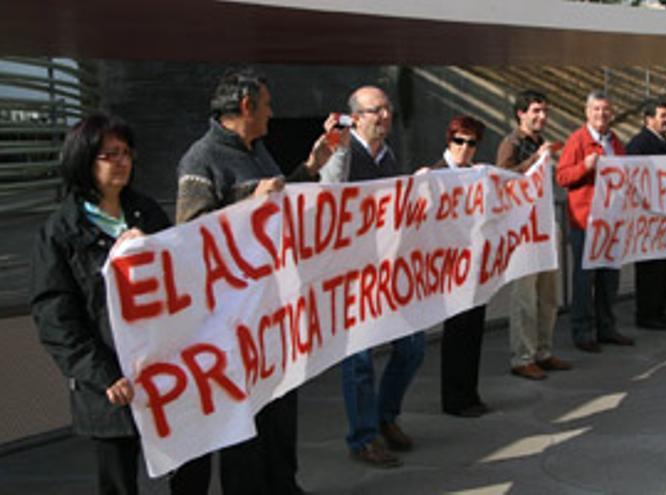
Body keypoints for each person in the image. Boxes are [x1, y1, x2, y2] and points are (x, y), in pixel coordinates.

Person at [175, 68, 334, 495]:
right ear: (245, 106)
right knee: (244, 428)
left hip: (273, 315)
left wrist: (310, 168)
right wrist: (249, 204)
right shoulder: (200, 161)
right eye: (266, 104)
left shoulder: (258, 151)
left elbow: (277, 203)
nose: (271, 113)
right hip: (234, 324)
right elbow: (192, 237)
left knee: (280, 416)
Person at [31, 114, 171, 494]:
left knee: (188, 465)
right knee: (119, 482)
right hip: (109, 384)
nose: (122, 161)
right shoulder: (61, 231)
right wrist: (103, 374)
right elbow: (56, 318)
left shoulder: (147, 212)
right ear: (84, 160)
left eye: (126, 153)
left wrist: (153, 250)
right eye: (110, 154)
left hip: (163, 374)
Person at [320, 85, 425, 468]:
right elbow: (328, 194)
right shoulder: (344, 153)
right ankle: (363, 437)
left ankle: (385, 415)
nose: (384, 116)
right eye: (375, 110)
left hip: (388, 272)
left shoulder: (389, 156)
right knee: (359, 360)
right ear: (356, 117)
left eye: (387, 109)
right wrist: (337, 146)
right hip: (352, 275)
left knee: (412, 347)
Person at [496, 89, 571, 379]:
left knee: (548, 295)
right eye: (536, 111)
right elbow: (504, 179)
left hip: (543, 225)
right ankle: (522, 356)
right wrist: (535, 161)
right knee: (525, 298)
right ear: (521, 113)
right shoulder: (510, 143)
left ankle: (544, 350)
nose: (542, 116)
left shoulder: (540, 142)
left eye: (544, 111)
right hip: (522, 232)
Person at [423, 115, 493, 417]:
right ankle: (454, 398)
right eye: (459, 141)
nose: (465, 148)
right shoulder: (434, 175)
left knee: (474, 330)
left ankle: (470, 393)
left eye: (471, 143)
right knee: (457, 333)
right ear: (448, 141)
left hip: (474, 264)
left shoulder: (476, 175)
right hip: (448, 267)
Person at [557, 90, 635, 353]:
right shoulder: (577, 140)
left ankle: (606, 327)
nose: (601, 114)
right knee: (584, 279)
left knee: (609, 277)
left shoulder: (616, 142)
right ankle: (582, 331)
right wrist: (584, 167)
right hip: (585, 222)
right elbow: (562, 177)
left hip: (611, 222)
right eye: (596, 109)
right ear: (587, 112)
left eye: (605, 109)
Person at [626, 99, 666, 331]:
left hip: (665, 214)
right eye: (663, 116)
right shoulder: (639, 143)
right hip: (646, 216)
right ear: (648, 119)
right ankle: (646, 313)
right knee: (650, 268)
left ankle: (660, 309)